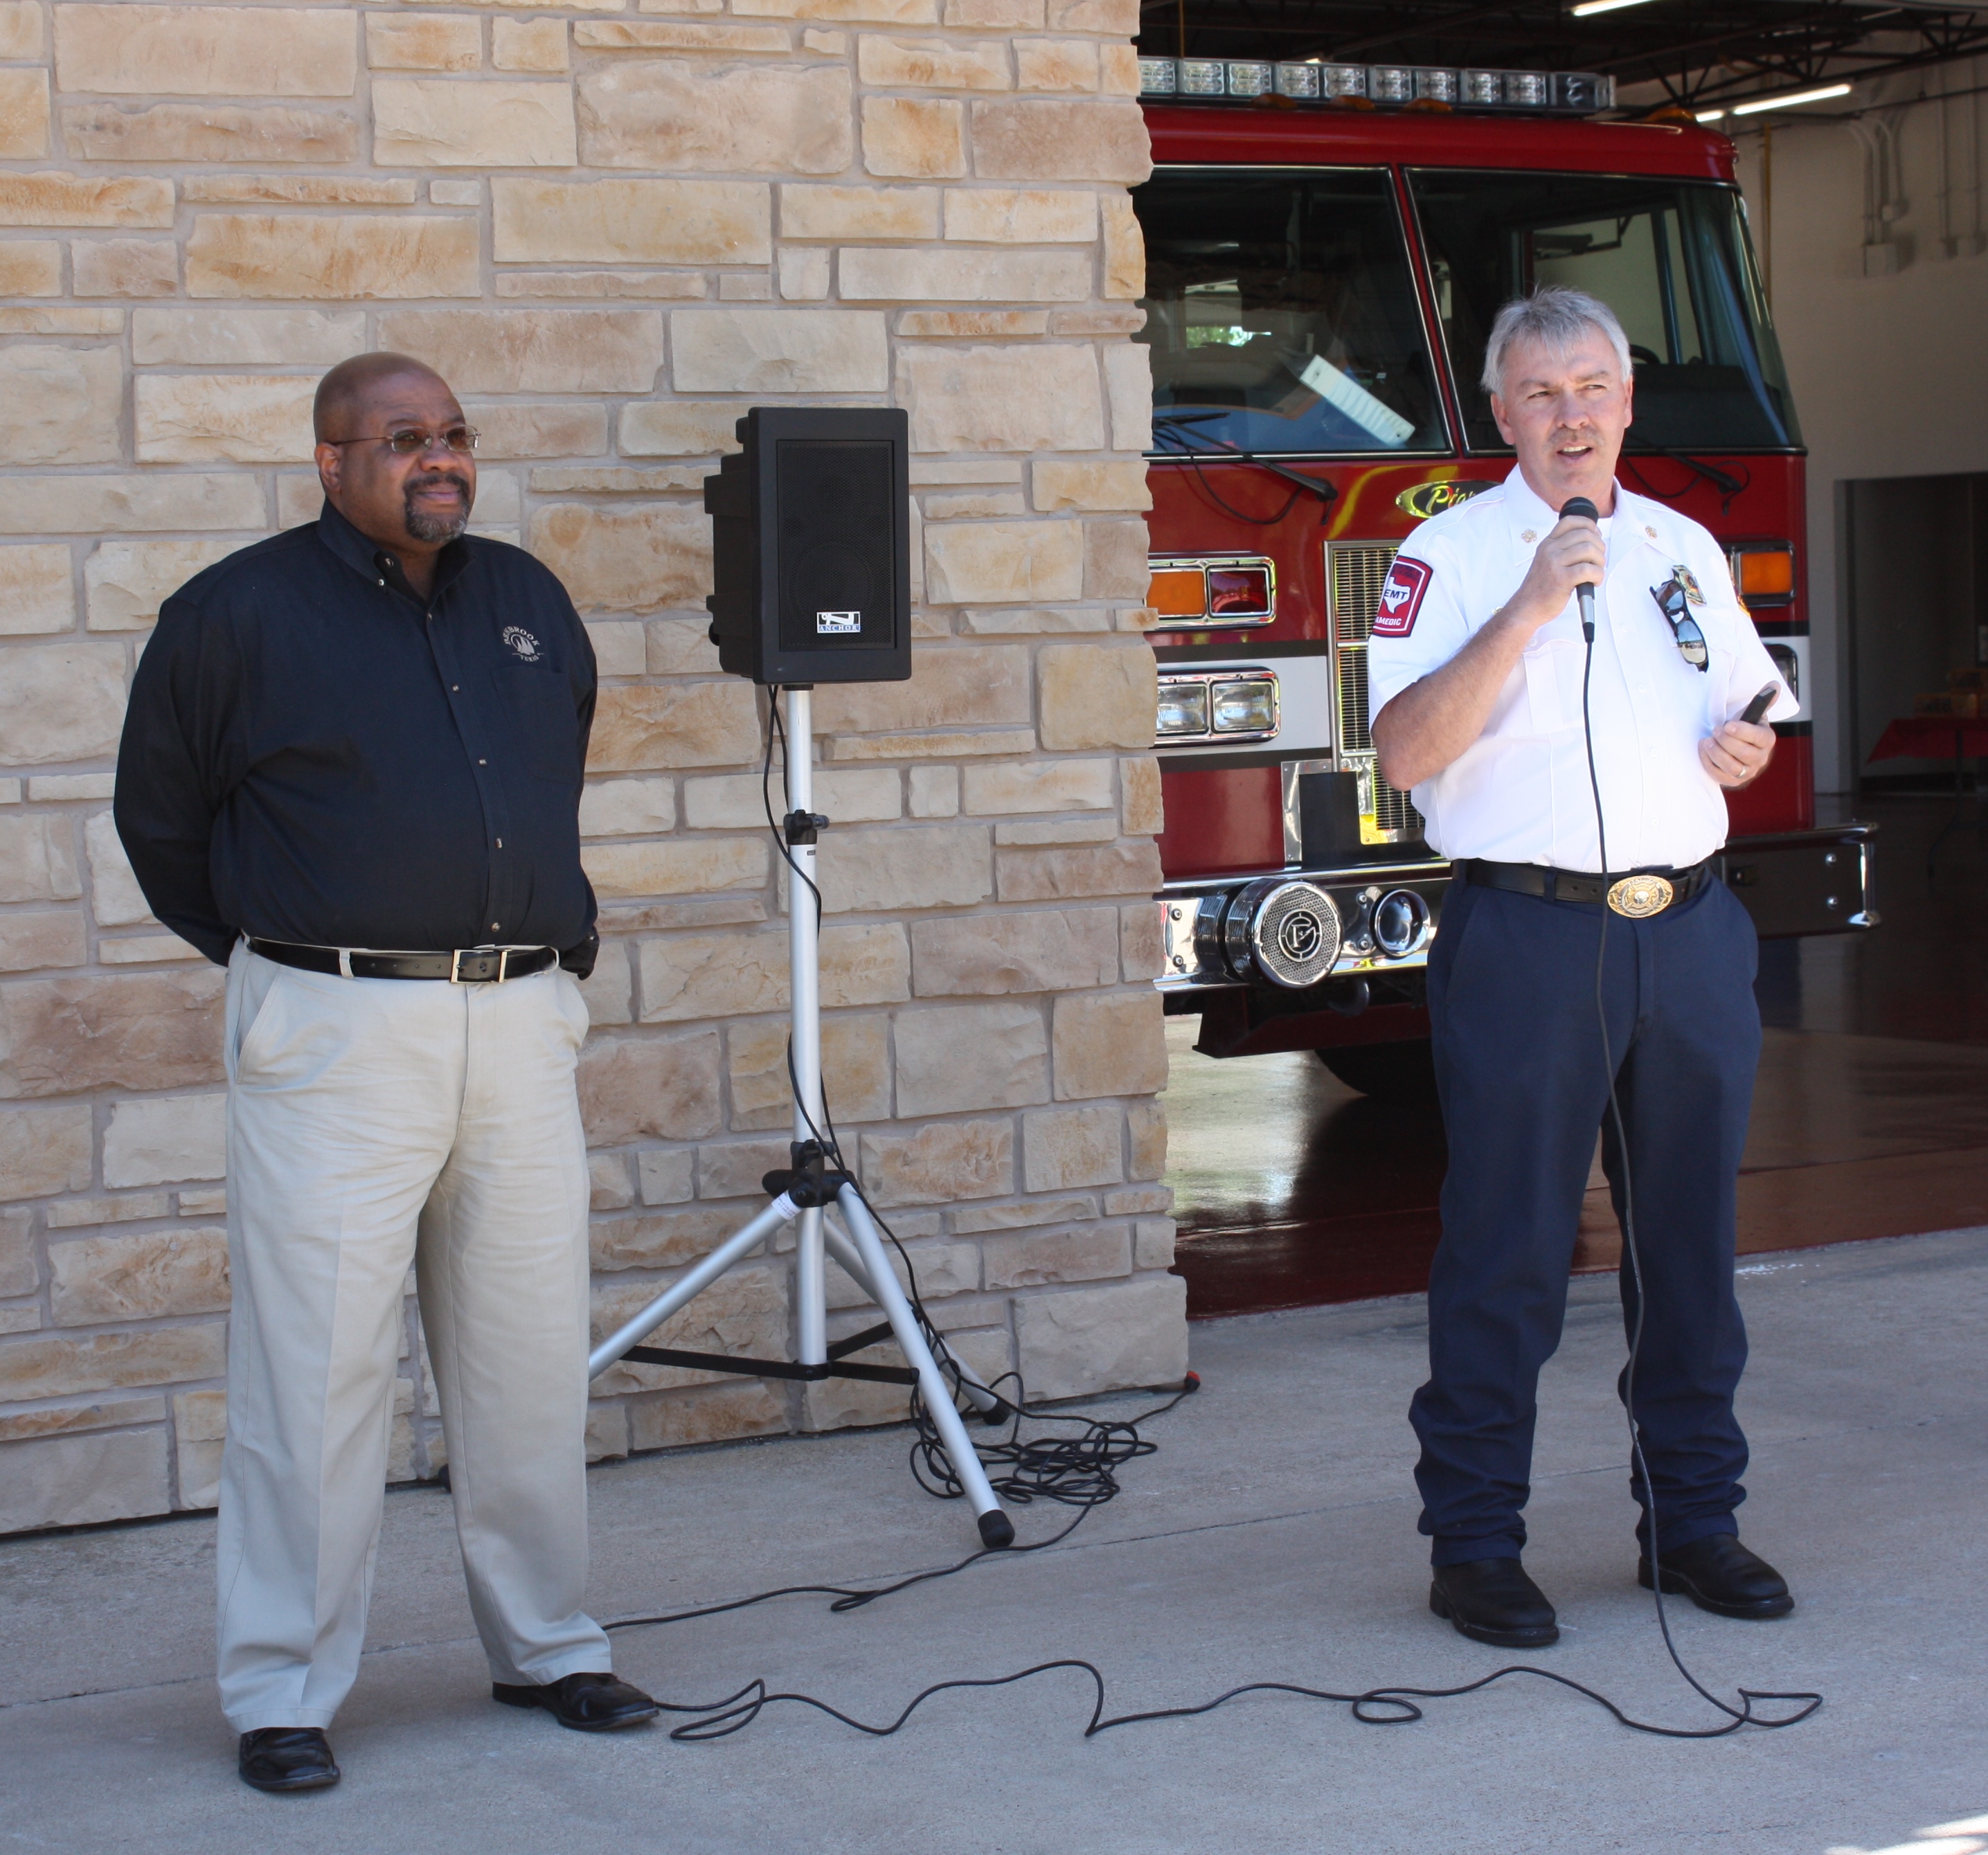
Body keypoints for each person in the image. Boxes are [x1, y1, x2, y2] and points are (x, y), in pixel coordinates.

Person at [114, 352, 660, 1794]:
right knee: (317, 1372)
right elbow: (162, 824)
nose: (439, 459)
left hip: (517, 1020)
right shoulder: (234, 614)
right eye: (405, 437)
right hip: (336, 1029)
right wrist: (284, 952)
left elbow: (554, 774)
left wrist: (560, 941)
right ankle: (282, 1687)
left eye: (456, 435)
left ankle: (548, 1642)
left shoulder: (526, 602)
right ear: (328, 459)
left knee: (529, 1354)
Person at [1368, 287, 1798, 1649]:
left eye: (1591, 388)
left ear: (1625, 403)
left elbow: (1741, 701)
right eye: (1541, 394)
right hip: (1527, 937)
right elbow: (1403, 753)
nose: (1570, 415)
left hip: (1687, 931)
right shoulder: (1447, 553)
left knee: (1687, 1250)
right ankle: (1476, 1544)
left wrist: (1745, 746)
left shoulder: (1679, 546)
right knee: (1504, 1250)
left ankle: (1693, 1522)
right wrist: (1528, 604)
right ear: (1499, 413)